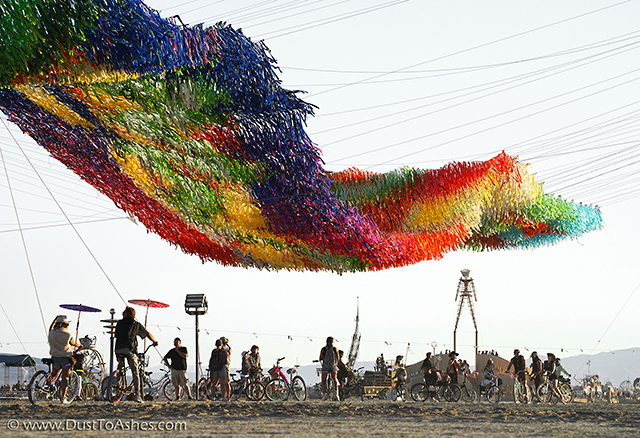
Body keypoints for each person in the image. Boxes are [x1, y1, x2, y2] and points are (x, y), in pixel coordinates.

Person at [114, 306, 158, 403]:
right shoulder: (136, 324)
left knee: (120, 368)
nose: (122, 314)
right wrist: (154, 341)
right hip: (129, 350)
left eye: (123, 313)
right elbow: (148, 334)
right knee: (135, 371)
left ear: (126, 314)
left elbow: (116, 335)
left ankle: (116, 389)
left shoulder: (119, 323)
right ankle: (138, 395)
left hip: (118, 349)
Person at [48, 315, 82, 404]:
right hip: (65, 359)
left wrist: (54, 319)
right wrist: (79, 345)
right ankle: (63, 397)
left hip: (55, 357)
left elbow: (50, 328)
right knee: (65, 378)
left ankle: (46, 387)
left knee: (54, 374)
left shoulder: (51, 333)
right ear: (64, 325)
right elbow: (73, 343)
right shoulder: (68, 334)